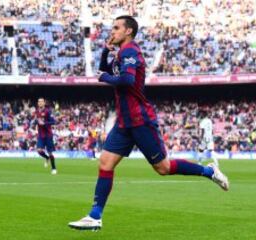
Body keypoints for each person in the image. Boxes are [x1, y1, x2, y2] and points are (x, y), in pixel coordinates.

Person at [68, 15, 229, 231]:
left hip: (139, 120)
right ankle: (95, 216)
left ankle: (209, 172)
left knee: (163, 168)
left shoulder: (131, 51)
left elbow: (126, 80)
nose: (112, 31)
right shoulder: (120, 54)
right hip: (124, 123)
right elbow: (104, 71)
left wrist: (104, 78)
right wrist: (106, 52)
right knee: (105, 163)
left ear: (128, 31)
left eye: (116, 28)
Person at [33, 98, 57, 175]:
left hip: (48, 135)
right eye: (39, 101)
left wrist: (44, 123)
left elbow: (53, 122)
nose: (40, 103)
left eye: (41, 101)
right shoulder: (36, 112)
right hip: (40, 135)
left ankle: (53, 168)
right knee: (39, 150)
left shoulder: (48, 111)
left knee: (50, 153)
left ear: (44, 103)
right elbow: (36, 121)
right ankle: (47, 158)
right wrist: (36, 122)